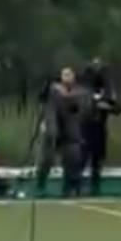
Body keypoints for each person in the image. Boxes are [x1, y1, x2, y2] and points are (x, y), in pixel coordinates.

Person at [36, 68, 91, 198]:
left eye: (69, 74)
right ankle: (40, 186)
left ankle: (70, 188)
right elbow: (44, 103)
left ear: (74, 77)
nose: (67, 77)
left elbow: (84, 110)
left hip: (71, 129)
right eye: (64, 75)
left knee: (73, 158)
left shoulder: (81, 92)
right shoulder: (53, 90)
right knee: (46, 159)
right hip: (53, 128)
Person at [80, 58, 120, 196]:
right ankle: (76, 187)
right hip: (84, 128)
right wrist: (93, 106)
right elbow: (77, 107)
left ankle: (95, 187)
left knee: (97, 160)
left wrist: (107, 107)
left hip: (100, 128)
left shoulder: (108, 90)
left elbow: (118, 108)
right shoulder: (84, 89)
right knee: (81, 159)